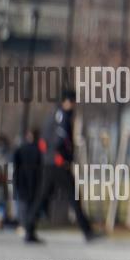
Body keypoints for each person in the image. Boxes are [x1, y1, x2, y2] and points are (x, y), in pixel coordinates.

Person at [24, 90, 96, 243]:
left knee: (42, 197)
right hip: (58, 164)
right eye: (72, 101)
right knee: (73, 196)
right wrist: (60, 156)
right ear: (66, 101)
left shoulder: (55, 113)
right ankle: (87, 231)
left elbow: (44, 140)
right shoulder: (62, 115)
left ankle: (29, 226)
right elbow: (59, 137)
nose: (74, 104)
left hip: (51, 163)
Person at [13, 128, 42, 232]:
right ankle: (29, 226)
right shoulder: (39, 150)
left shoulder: (21, 149)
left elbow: (15, 165)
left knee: (23, 204)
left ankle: (24, 224)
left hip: (23, 180)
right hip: (32, 181)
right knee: (31, 205)